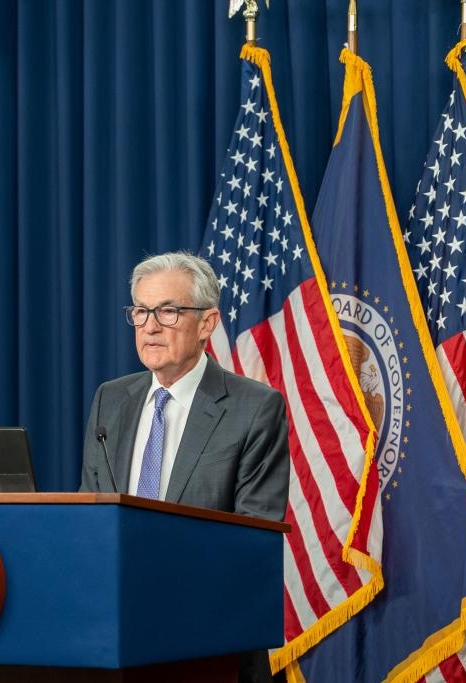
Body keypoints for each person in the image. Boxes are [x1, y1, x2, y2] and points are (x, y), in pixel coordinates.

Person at [80, 251, 290, 683]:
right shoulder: (110, 400)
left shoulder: (254, 408)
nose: (150, 326)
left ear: (207, 323)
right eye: (140, 311)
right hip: (113, 641)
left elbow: (252, 540)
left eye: (168, 311)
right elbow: (88, 521)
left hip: (209, 644)